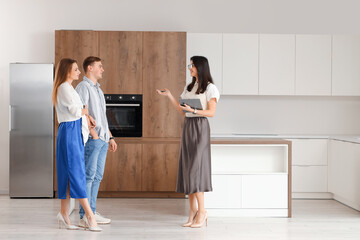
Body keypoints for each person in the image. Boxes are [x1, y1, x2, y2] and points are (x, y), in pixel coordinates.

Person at [157, 56, 220, 228]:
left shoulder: (210, 88)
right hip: (188, 127)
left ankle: (202, 212)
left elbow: (211, 113)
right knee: (188, 170)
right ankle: (192, 213)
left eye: (191, 65)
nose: (189, 68)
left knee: (195, 171)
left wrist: (194, 109)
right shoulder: (189, 87)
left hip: (200, 129)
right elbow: (181, 110)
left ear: (200, 67)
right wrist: (169, 95)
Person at [52, 58, 102, 232]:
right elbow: (76, 111)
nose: (79, 72)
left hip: (71, 131)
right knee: (77, 172)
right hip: (69, 132)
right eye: (75, 69)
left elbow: (78, 111)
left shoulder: (69, 88)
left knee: (68, 173)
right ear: (67, 71)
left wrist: (87, 117)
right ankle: (89, 215)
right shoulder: (64, 88)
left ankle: (64, 214)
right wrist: (86, 111)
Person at [76, 56, 118, 226]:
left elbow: (101, 118)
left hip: (103, 138)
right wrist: (94, 135)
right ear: (90, 68)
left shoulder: (98, 90)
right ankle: (84, 215)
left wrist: (110, 136)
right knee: (88, 176)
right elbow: (81, 112)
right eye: (99, 66)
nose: (102, 69)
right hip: (93, 139)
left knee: (97, 176)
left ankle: (91, 211)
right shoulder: (83, 87)